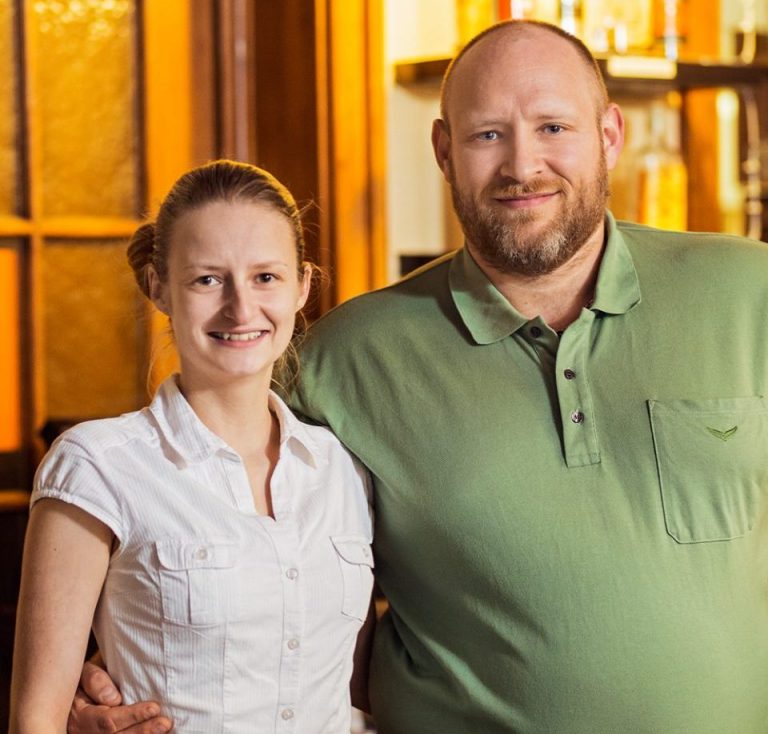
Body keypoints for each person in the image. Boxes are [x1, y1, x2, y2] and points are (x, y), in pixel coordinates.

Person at [69, 19, 768, 734]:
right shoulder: (345, 357)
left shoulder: (748, 293)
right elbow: (193, 527)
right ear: (443, 150)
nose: (522, 164)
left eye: (554, 127)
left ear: (609, 135)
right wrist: (106, 676)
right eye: (487, 134)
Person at [10, 160, 375, 734]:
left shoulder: (343, 468)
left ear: (303, 285)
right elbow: (36, 720)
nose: (241, 308)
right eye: (207, 279)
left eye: (266, 277)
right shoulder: (97, 465)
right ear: (157, 287)